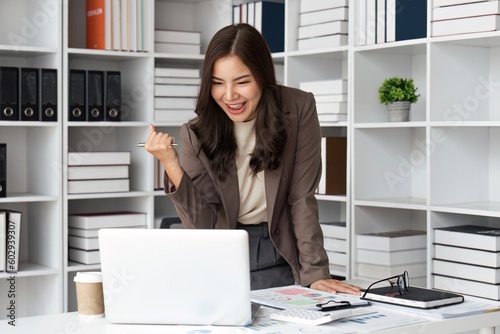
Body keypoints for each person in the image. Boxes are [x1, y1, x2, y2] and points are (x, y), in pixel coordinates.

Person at [144, 23, 361, 295]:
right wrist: (170, 163)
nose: (230, 95)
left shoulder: (299, 108)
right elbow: (204, 225)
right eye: (217, 83)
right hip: (225, 252)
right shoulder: (195, 133)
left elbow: (300, 197)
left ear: (262, 75)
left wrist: (315, 273)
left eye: (242, 81)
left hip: (281, 249)